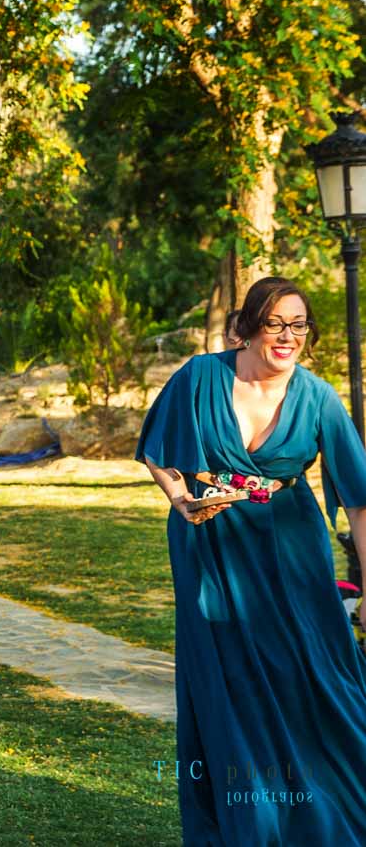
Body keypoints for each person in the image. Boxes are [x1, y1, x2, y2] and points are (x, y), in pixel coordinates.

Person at [138, 277, 366, 844]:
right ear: (248, 327)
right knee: (228, 684)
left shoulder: (317, 397)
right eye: (275, 324)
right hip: (210, 548)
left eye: (298, 325)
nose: (288, 336)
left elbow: (360, 501)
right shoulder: (200, 376)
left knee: (316, 680)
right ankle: (252, 823)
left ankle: (333, 811)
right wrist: (180, 499)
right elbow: (156, 450)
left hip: (293, 555)